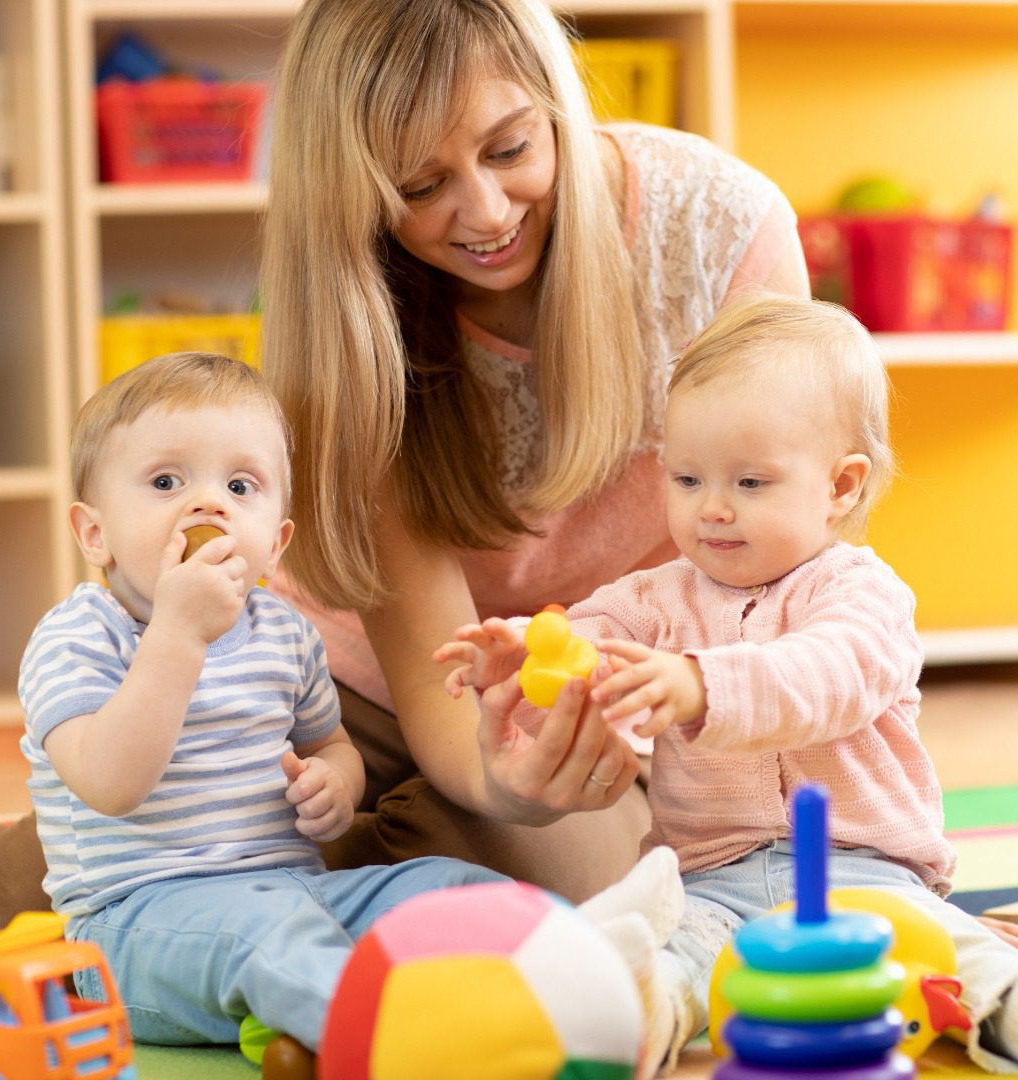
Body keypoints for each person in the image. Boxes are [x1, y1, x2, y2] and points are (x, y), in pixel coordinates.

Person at [0, 0, 809, 931]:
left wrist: (536, 781)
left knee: (572, 889)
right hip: (353, 682)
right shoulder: (357, 312)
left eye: (511, 148)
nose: (486, 211)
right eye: (421, 185)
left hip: (610, 691)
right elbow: (435, 684)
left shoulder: (718, 227)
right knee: (84, 880)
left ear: (556, 103)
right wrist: (484, 777)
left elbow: (793, 562)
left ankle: (307, 878)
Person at [435, 294, 1018, 1075]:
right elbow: (589, 651)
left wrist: (701, 685)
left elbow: (826, 676)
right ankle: (629, 1021)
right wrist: (530, 660)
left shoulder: (863, 595)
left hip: (867, 878)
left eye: (749, 483)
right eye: (687, 478)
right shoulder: (652, 598)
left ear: (841, 487)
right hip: (711, 882)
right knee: (668, 958)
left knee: (952, 953)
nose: (711, 509)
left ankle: (1003, 1004)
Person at [15, 352, 504, 1052]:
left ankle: (590, 969)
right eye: (166, 481)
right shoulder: (79, 637)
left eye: (241, 485)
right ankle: (402, 1039)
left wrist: (337, 783)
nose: (209, 504)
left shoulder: (283, 632)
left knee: (448, 886)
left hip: (294, 894)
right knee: (267, 939)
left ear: (275, 547)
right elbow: (110, 784)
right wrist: (178, 634)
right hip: (132, 928)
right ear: (96, 534)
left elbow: (329, 744)